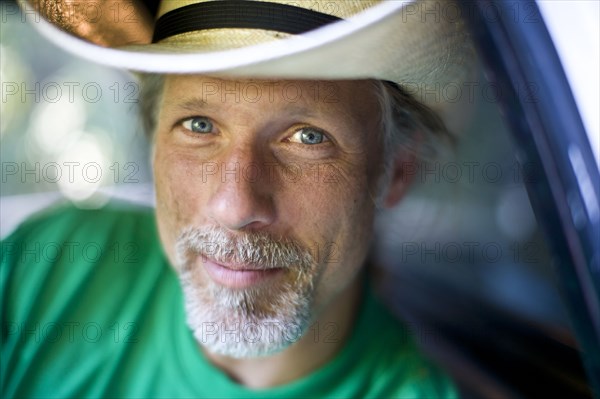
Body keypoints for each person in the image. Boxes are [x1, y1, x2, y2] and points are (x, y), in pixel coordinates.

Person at [2, 0, 474, 397]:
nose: (236, 205)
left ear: (396, 173)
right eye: (199, 126)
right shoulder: (45, 269)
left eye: (308, 137)